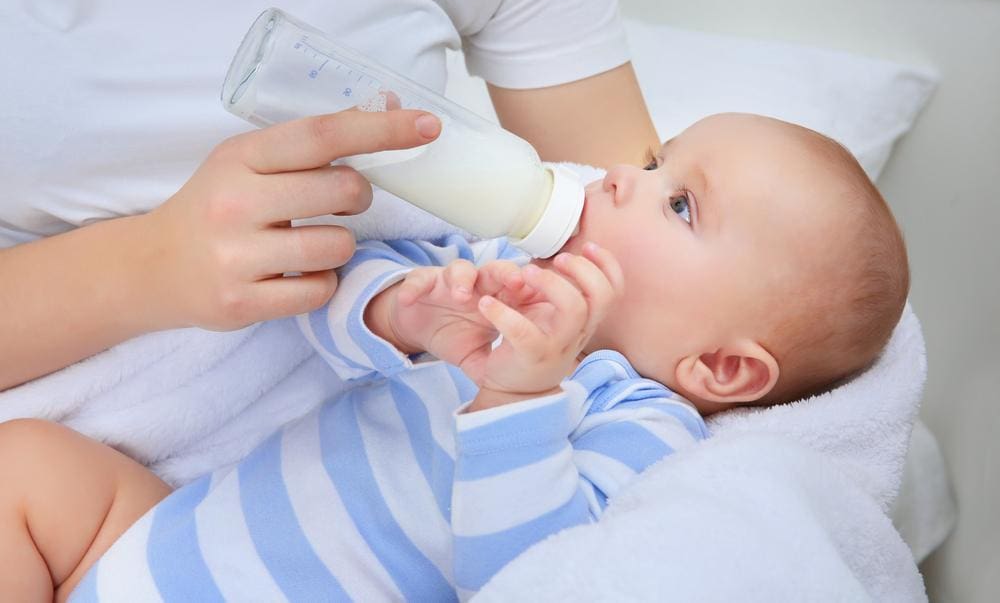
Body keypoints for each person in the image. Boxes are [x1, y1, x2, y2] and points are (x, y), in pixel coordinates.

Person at [0, 113, 910, 600]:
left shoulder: (639, 426)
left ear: (721, 370)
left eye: (680, 204)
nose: (624, 177)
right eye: (660, 155)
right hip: (157, 541)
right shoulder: (501, 267)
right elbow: (327, 306)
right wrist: (397, 312)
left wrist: (518, 395)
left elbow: (529, 570)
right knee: (26, 465)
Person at [0, 0, 659, 389]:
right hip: (64, 419)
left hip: (362, 431)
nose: (636, 181)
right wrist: (148, 265)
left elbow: (657, 275)